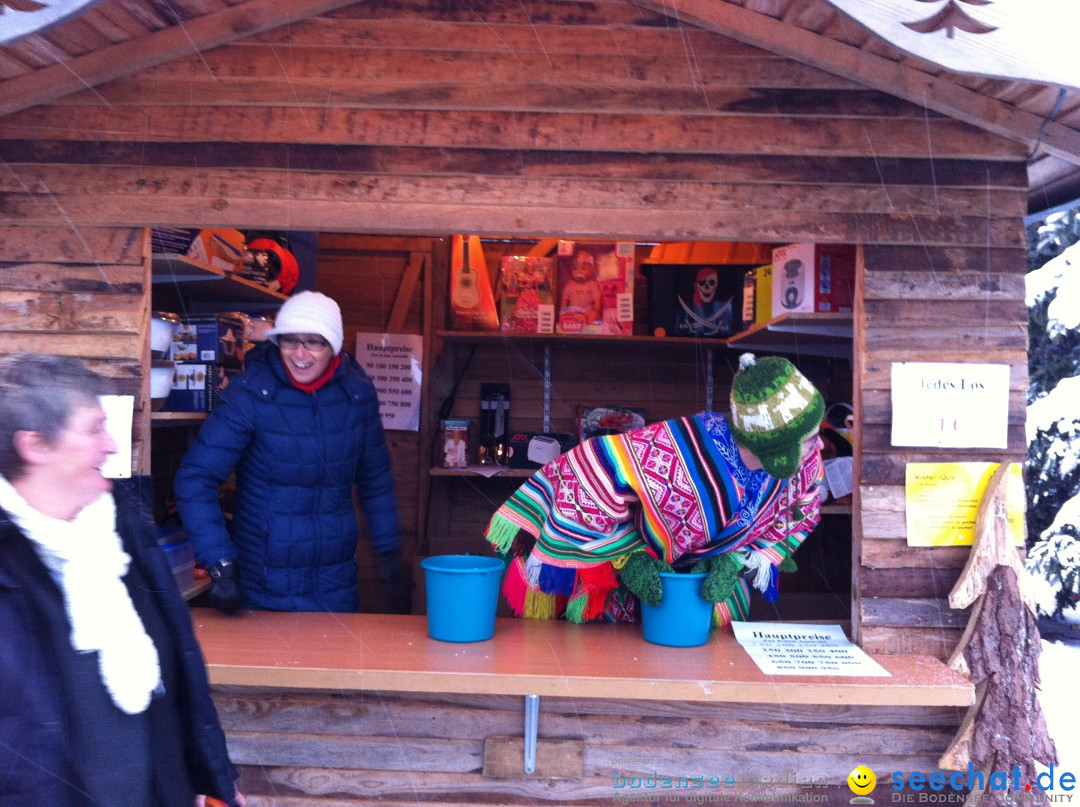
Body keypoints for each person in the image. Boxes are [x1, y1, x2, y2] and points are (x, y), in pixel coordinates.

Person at [0, 353, 243, 807]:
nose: (112, 445)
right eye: (93, 429)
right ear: (35, 445)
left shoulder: (125, 534)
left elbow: (178, 678)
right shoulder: (8, 566)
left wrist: (211, 778)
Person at [485, 353, 825, 626]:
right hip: (625, 590)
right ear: (777, 449)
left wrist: (733, 560)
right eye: (810, 440)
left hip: (704, 596)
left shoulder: (804, 464)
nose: (821, 445)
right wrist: (628, 560)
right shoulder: (674, 454)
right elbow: (592, 470)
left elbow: (803, 508)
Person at [174, 291, 408, 614]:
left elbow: (376, 477)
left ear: (333, 347)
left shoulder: (356, 395)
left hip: (335, 587)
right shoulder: (251, 393)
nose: (299, 353)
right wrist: (220, 561)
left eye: (314, 342)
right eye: (289, 341)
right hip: (265, 589)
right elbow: (195, 478)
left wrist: (388, 549)